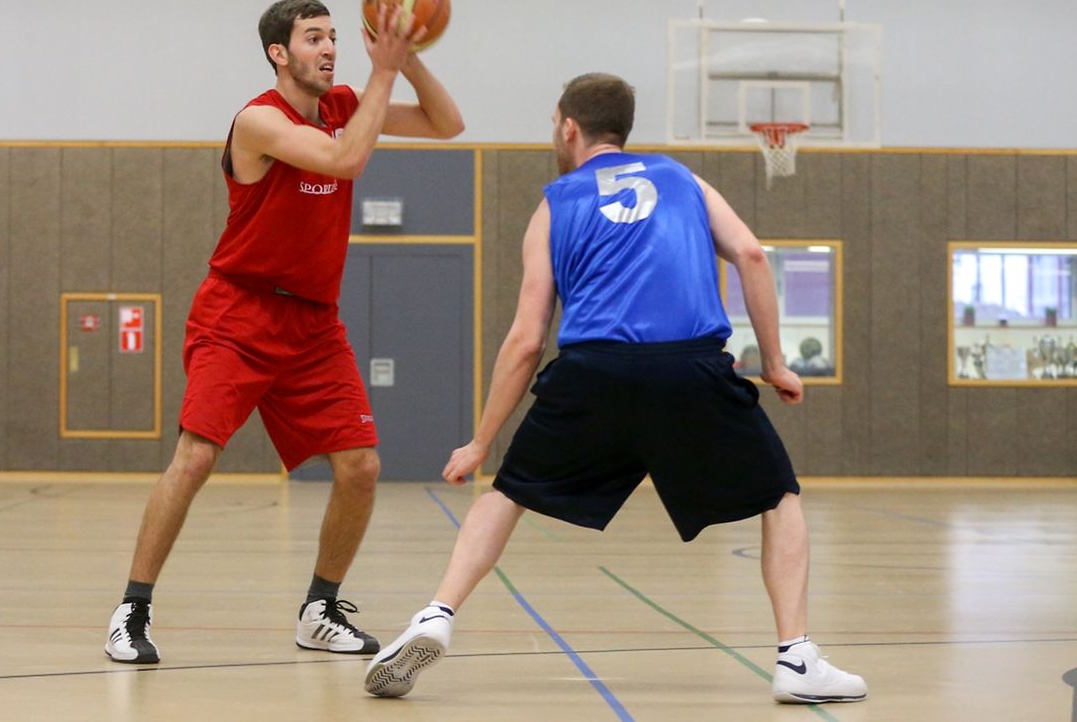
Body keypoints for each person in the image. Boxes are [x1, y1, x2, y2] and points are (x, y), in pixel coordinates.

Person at [364, 73, 866, 705]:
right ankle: (796, 659)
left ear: (568, 127)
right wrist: (776, 363)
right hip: (689, 369)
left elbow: (526, 338)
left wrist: (480, 441)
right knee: (779, 498)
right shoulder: (684, 180)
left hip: (592, 370)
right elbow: (753, 256)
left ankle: (437, 613)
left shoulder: (554, 203)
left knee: (507, 493)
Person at [104, 0, 464, 664]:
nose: (329, 49)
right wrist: (382, 78)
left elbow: (448, 124)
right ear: (279, 52)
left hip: (312, 322)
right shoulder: (258, 121)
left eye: (333, 37)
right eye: (312, 38)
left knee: (361, 467)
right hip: (238, 314)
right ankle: (132, 609)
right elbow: (346, 162)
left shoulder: (344, 106)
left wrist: (406, 62)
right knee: (197, 457)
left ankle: (319, 610)